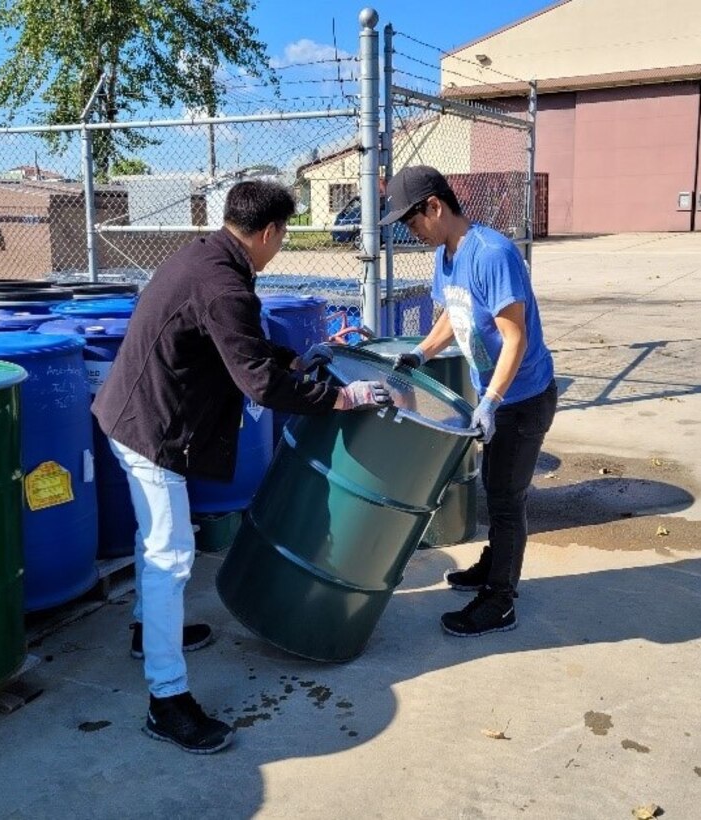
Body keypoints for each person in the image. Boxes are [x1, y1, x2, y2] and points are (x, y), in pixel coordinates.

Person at [92, 179, 391, 754]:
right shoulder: (225, 281)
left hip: (129, 413)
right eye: (285, 234)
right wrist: (340, 399)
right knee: (170, 555)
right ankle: (167, 700)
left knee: (155, 546)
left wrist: (291, 357)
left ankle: (145, 633)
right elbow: (256, 380)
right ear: (271, 231)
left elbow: (235, 343)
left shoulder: (208, 255)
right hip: (150, 430)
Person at [380, 166, 557, 638]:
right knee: (494, 491)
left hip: (522, 398)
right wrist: (419, 352)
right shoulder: (446, 254)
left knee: (505, 500)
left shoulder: (491, 253)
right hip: (499, 399)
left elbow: (514, 338)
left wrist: (492, 400)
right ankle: (492, 564)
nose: (410, 232)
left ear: (434, 206)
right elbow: (450, 317)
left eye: (411, 221)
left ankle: (501, 601)